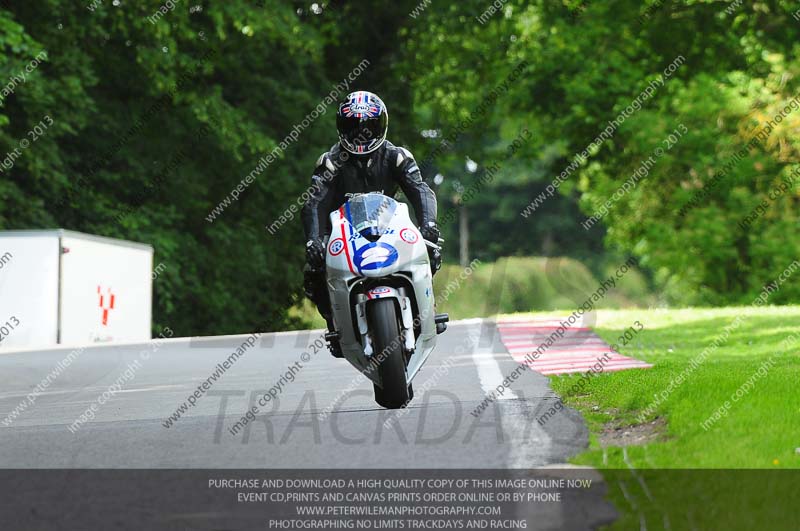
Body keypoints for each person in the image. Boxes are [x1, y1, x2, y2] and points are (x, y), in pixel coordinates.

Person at [301, 90, 441, 357]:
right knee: (313, 272)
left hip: (389, 227)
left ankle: (425, 308)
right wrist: (313, 240)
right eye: (354, 127)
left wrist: (429, 224)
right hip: (344, 231)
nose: (361, 134)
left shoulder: (397, 156)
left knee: (431, 248)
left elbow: (421, 191)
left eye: (369, 126)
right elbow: (314, 203)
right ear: (342, 128)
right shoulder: (330, 162)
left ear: (382, 126)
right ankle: (334, 324)